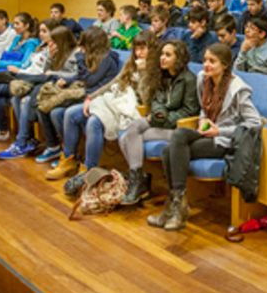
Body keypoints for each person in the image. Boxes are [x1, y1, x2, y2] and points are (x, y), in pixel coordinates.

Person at [147, 43, 261, 231]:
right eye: (205, 60)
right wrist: (202, 121)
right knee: (177, 138)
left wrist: (220, 131)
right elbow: (203, 109)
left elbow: (255, 123)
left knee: (169, 151)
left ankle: (174, 208)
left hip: (224, 141)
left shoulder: (238, 88)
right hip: (206, 133)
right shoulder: (203, 79)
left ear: (224, 65)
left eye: (212, 61)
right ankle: (177, 206)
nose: (206, 65)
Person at [47, 32, 157, 179]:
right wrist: (90, 98)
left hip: (132, 110)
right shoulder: (131, 64)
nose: (139, 53)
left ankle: (89, 172)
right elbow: (113, 84)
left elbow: (146, 99)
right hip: (115, 100)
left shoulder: (156, 70)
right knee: (71, 114)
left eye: (143, 48)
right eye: (136, 49)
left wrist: (143, 72)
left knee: (94, 121)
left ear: (153, 49)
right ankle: (69, 160)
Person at [118, 40, 200, 204]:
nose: (162, 58)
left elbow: (190, 111)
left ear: (179, 58)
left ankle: (139, 182)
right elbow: (156, 101)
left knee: (131, 136)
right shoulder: (161, 76)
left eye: (168, 55)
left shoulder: (189, 79)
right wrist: (158, 113)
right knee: (130, 130)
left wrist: (161, 118)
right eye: (162, 54)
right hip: (160, 119)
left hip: (178, 128)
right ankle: (138, 179)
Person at [35, 27, 120, 163]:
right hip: (87, 94)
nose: (81, 46)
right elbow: (81, 77)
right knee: (56, 113)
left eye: (84, 43)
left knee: (69, 113)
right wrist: (68, 80)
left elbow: (89, 80)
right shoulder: (94, 56)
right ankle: (69, 154)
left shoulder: (107, 59)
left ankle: (69, 157)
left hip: (99, 98)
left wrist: (80, 58)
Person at [0, 26, 79, 160]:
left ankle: (24, 142)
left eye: (53, 42)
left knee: (29, 100)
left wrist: (54, 73)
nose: (50, 45)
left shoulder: (74, 54)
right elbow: (46, 71)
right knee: (16, 98)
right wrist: (50, 58)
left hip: (63, 87)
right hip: (50, 84)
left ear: (62, 41)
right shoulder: (55, 51)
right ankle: (28, 139)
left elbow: (75, 74)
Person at [0, 19, 58, 142]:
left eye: (44, 31)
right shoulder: (39, 46)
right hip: (22, 75)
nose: (41, 34)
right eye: (40, 31)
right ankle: (16, 135)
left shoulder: (49, 48)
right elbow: (27, 64)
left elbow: (42, 73)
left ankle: (17, 136)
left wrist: (18, 71)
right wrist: (19, 71)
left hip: (30, 80)